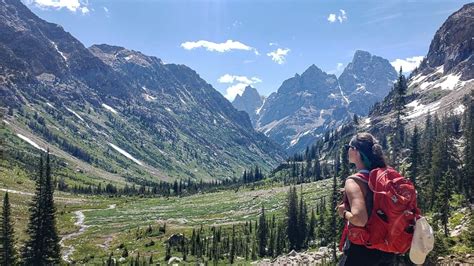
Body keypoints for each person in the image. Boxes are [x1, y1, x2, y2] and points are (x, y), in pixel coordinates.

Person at [336, 132, 396, 266]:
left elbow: (360, 219)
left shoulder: (355, 181)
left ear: (357, 152)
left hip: (361, 250)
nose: (347, 150)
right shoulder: (384, 177)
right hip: (385, 247)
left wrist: (343, 213)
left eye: (349, 147)